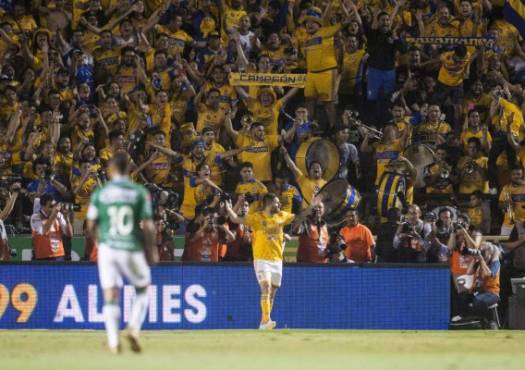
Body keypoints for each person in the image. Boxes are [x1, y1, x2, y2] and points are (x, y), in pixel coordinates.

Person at [85, 153, 158, 354]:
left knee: (111, 294)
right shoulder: (139, 192)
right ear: (129, 169)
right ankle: (133, 328)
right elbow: (149, 227)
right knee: (143, 288)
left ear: (111, 170)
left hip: (108, 248)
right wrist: (152, 250)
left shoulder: (100, 193)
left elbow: (90, 224)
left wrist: (100, 241)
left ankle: (113, 342)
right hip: (130, 246)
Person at [224, 193, 313, 329]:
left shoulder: (282, 215)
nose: (279, 205)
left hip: (277, 260)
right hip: (261, 259)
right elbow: (234, 219)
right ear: (269, 203)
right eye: (277, 203)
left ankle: (263, 322)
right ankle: (267, 320)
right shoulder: (256, 218)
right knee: (265, 287)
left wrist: (312, 204)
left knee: (272, 293)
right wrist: (230, 208)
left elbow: (300, 217)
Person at [30, 193, 73, 261]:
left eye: (55, 205)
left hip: (58, 255)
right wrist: (54, 214)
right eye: (51, 206)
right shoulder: (35, 217)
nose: (53, 208)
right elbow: (43, 231)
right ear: (43, 206)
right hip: (42, 257)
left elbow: (69, 234)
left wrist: (67, 219)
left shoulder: (58, 215)